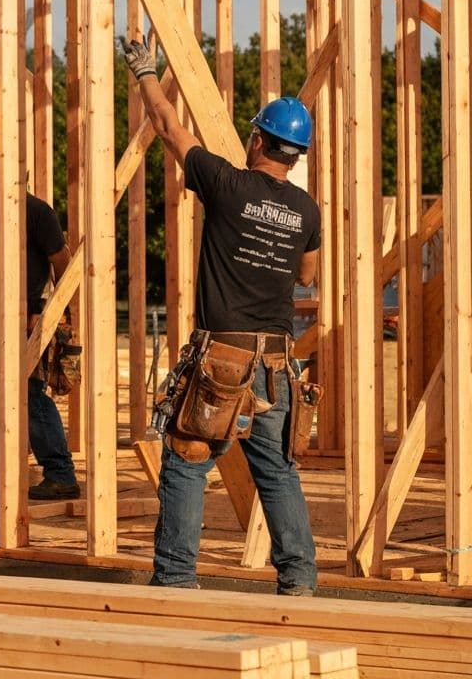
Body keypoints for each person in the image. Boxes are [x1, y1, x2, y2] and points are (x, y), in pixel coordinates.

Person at [122, 37, 320, 596]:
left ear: (258, 139)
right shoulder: (306, 209)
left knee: (187, 462)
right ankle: (300, 582)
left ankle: (177, 581)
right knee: (277, 472)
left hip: (223, 361)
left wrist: (144, 72)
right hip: (276, 366)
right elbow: (307, 276)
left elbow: (166, 125)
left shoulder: (227, 184)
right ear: (295, 156)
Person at [25, 192, 80, 501]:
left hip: (29, 319)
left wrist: (58, 314)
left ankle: (60, 473)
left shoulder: (37, 211)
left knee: (31, 396)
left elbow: (62, 262)